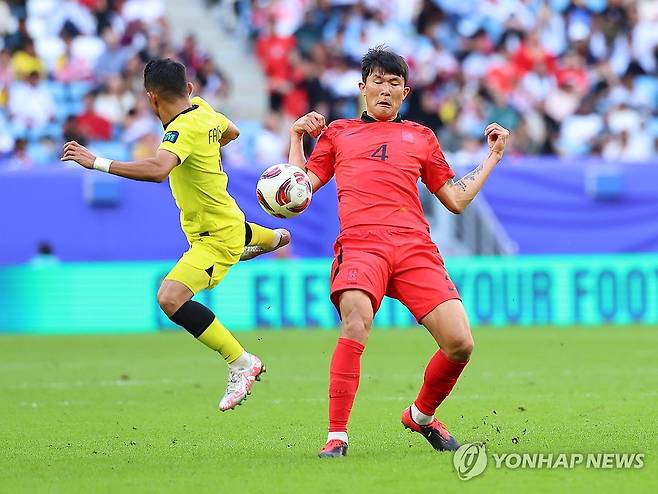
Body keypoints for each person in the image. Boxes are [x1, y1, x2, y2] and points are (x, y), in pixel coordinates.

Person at [288, 47, 510, 458]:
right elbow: (296, 192)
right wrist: (297, 136)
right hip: (361, 244)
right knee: (356, 323)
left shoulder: (422, 137)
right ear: (362, 87)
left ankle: (422, 415)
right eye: (378, 81)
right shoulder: (338, 133)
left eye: (394, 83)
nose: (385, 90)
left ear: (405, 91)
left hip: (413, 247)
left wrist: (492, 157)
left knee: (460, 343)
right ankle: (337, 436)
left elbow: (456, 199)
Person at [61, 58, 290, 411]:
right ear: (189, 89)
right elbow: (232, 132)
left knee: (170, 298)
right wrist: (204, 148)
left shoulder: (182, 129)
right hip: (227, 219)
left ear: (151, 98)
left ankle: (241, 362)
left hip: (214, 236)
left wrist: (96, 162)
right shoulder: (203, 110)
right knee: (248, 237)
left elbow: (157, 170)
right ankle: (269, 239)